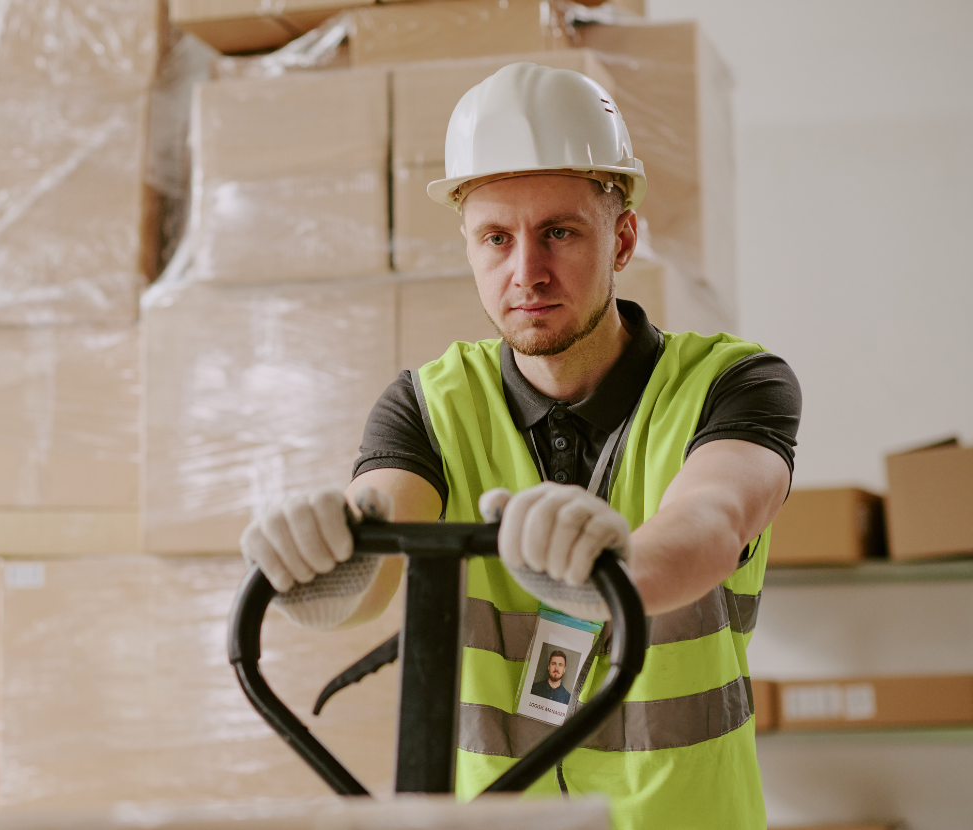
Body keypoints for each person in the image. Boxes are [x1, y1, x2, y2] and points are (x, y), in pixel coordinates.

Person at [240, 63, 799, 830]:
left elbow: (712, 520)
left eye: (559, 233)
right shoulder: (431, 405)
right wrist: (321, 557)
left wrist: (610, 571)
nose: (525, 272)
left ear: (623, 237)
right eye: (496, 238)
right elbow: (374, 545)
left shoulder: (732, 381)